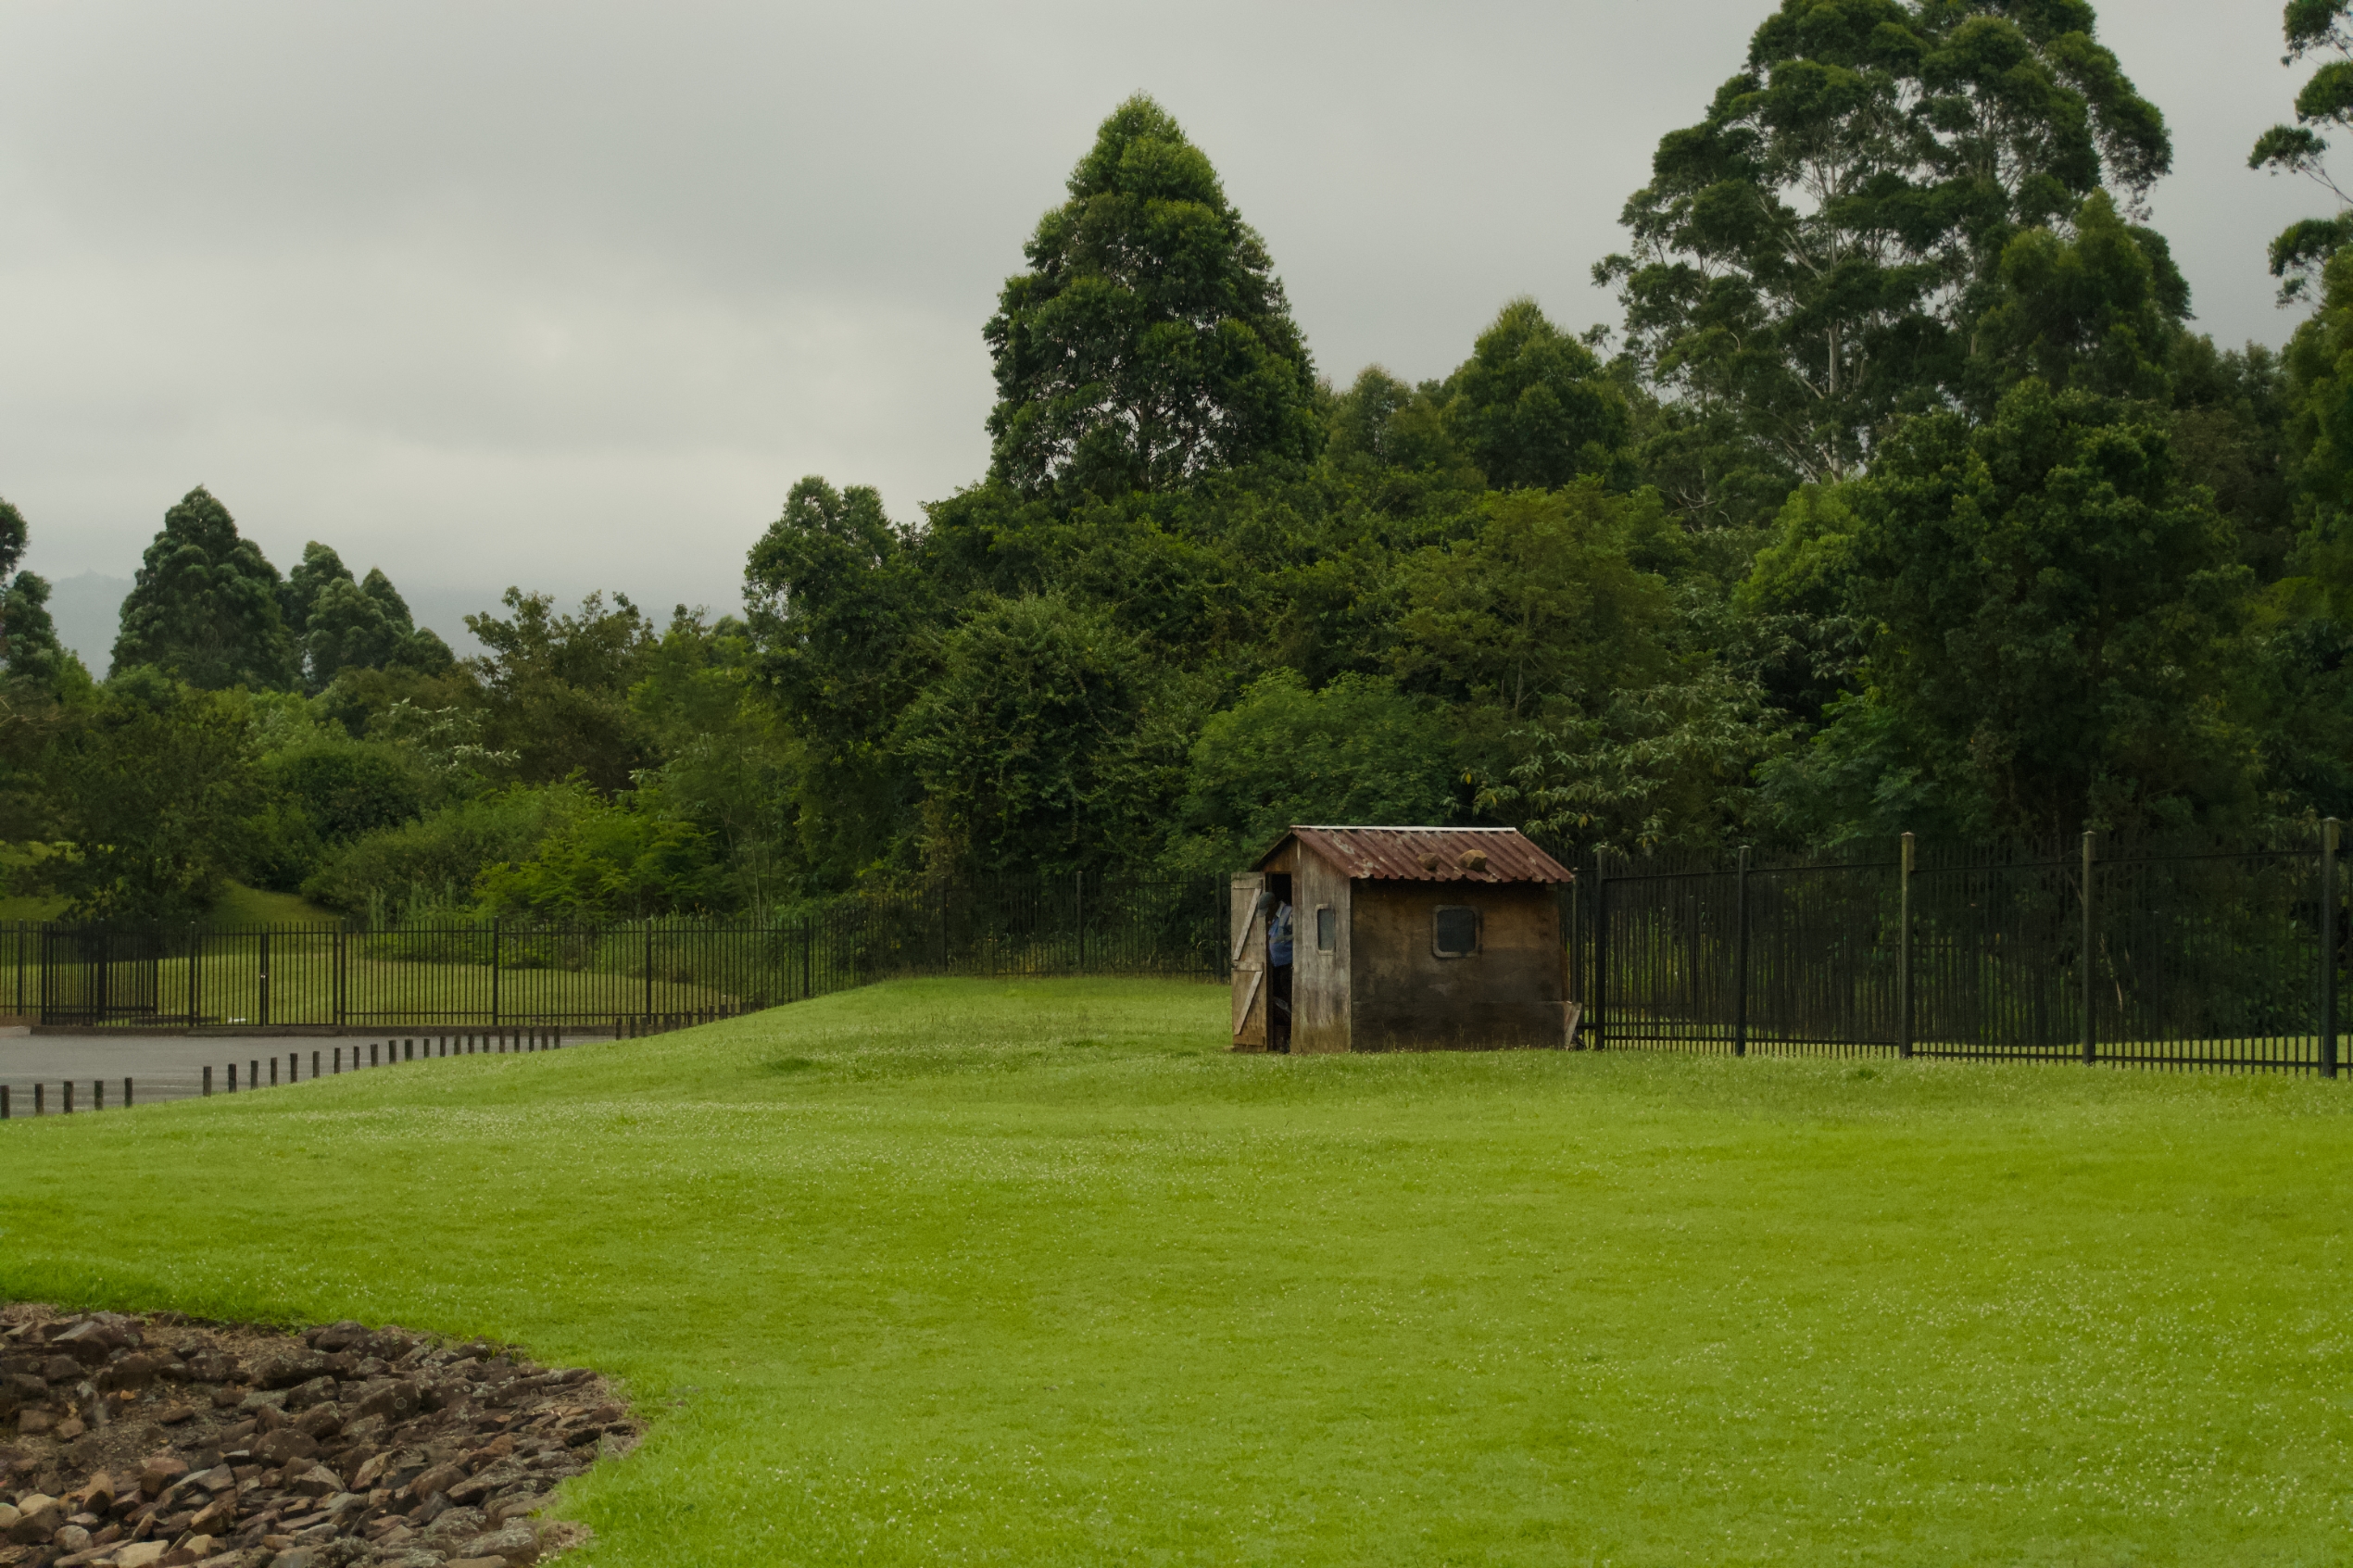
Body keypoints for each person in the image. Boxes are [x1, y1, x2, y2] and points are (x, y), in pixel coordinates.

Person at [1268, 899, 1294, 1050]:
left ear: (1273, 905)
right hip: (1277, 967)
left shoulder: (1289, 913)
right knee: (1279, 1001)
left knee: (1291, 1001)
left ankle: (1291, 1038)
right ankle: (1282, 1041)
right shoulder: (1275, 918)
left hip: (1288, 966)